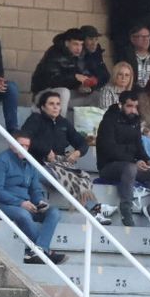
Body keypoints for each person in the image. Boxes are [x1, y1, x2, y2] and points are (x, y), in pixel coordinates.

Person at [23, 89, 111, 222]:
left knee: (83, 177)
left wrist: (78, 152)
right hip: (38, 165)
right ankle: (95, 209)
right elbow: (24, 138)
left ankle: (95, 209)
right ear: (42, 107)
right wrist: (46, 150)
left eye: (58, 104)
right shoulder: (35, 119)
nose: (55, 107)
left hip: (59, 165)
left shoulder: (63, 123)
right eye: (51, 104)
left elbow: (81, 142)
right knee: (69, 176)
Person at [0, 133, 66, 265]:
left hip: (26, 205)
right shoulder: (1, 161)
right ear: (11, 144)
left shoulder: (30, 163)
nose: (23, 148)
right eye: (20, 145)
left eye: (26, 146)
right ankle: (45, 252)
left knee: (54, 212)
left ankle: (38, 250)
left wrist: (39, 201)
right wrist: (20, 203)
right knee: (22, 214)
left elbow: (35, 190)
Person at [96, 89, 150, 228]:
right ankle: (126, 209)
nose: (133, 110)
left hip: (132, 166)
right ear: (120, 105)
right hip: (109, 167)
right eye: (129, 106)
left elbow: (139, 146)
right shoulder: (108, 122)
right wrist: (135, 161)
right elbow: (110, 150)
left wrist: (147, 160)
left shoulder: (135, 121)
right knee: (130, 168)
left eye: (135, 106)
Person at [30, 28, 101, 115]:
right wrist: (74, 78)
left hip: (66, 95)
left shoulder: (78, 56)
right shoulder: (54, 53)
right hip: (43, 95)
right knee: (64, 92)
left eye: (81, 45)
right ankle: (59, 126)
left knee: (96, 96)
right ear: (66, 43)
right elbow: (52, 81)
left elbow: (84, 77)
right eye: (75, 44)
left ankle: (89, 127)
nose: (79, 48)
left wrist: (83, 87)